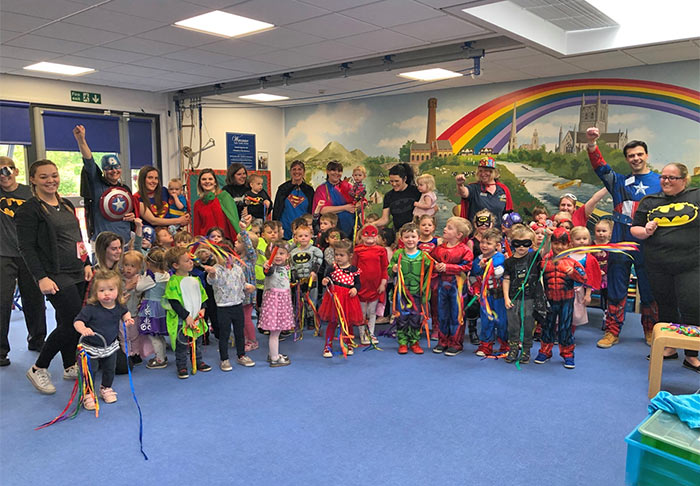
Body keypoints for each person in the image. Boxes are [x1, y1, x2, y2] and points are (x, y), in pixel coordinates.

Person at [18, 160, 93, 394]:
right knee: (74, 321)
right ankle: (39, 367)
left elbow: (78, 237)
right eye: (43, 177)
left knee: (67, 321)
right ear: (33, 179)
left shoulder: (66, 204)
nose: (51, 180)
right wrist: (41, 277)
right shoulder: (29, 210)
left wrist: (87, 262)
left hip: (77, 270)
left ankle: (69, 364)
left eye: (54, 175)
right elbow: (26, 248)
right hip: (54, 274)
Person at [586, 127, 660, 348]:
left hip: (649, 240)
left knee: (649, 286)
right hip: (620, 236)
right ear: (627, 159)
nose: (636, 158)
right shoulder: (618, 181)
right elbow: (600, 167)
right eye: (631, 155)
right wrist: (592, 144)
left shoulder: (660, 181)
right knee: (616, 284)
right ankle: (612, 331)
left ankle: (650, 329)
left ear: (646, 155)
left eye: (639, 154)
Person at [631, 162, 700, 372]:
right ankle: (669, 348)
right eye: (663, 177)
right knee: (665, 305)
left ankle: (691, 355)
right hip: (658, 264)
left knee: (691, 306)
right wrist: (646, 231)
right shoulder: (650, 201)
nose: (666, 181)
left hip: (691, 264)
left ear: (684, 180)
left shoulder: (696, 196)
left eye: (672, 177)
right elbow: (635, 229)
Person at [0, 156, 46, 366]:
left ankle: (37, 339)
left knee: (34, 299)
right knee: (2, 301)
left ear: (16, 171)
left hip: (29, 254)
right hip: (3, 254)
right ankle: (1, 350)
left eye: (7, 170)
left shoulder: (31, 193)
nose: (3, 175)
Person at [73, 269, 134, 410]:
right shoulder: (91, 308)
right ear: (95, 292)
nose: (107, 294)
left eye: (111, 289)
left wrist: (127, 319)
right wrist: (83, 329)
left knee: (110, 369)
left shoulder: (118, 306)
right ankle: (88, 393)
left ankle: (106, 388)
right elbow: (77, 321)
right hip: (91, 348)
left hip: (110, 346)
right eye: (102, 290)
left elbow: (125, 312)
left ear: (118, 290)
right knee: (91, 370)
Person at [534, 228, 587, 369]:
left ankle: (568, 354)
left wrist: (574, 273)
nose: (559, 247)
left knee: (565, 327)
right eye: (556, 243)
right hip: (549, 299)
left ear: (569, 245)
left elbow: (584, 277)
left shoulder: (572, 262)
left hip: (566, 300)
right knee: (547, 326)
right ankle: (545, 351)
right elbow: (534, 272)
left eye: (563, 243)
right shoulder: (544, 260)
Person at [73, 125, 135, 243]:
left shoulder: (125, 189)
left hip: (125, 240)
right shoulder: (96, 184)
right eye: (109, 168)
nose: (114, 171)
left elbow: (132, 213)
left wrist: (132, 216)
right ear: (103, 170)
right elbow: (89, 161)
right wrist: (81, 140)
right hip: (102, 242)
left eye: (117, 167)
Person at [203, 240, 256, 371]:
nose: (226, 258)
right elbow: (211, 281)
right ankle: (224, 359)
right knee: (224, 334)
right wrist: (211, 273)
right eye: (222, 255)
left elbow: (241, 283)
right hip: (223, 307)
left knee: (239, 332)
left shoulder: (238, 269)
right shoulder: (216, 270)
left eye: (229, 255)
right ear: (216, 256)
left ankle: (241, 355)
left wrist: (248, 287)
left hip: (237, 305)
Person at [164, 246, 211, 379]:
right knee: (182, 344)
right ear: (176, 265)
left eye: (191, 260)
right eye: (186, 261)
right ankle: (182, 365)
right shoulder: (173, 282)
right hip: (182, 320)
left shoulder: (195, 279)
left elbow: (202, 296)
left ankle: (198, 361)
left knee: (197, 341)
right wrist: (186, 316)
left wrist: (202, 309)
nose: (191, 262)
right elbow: (174, 302)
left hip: (196, 318)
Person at [388, 222, 432, 355]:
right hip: (401, 293)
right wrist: (393, 269)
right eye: (406, 237)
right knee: (401, 318)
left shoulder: (424, 257)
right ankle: (402, 342)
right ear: (401, 238)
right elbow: (389, 270)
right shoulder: (398, 254)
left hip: (417, 293)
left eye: (413, 236)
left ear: (419, 238)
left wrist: (425, 293)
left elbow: (429, 275)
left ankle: (414, 342)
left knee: (415, 318)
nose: (410, 240)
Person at [431, 216, 473, 356]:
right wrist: (436, 267)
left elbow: (467, 266)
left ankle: (456, 343)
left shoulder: (464, 250)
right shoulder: (438, 249)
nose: (445, 229)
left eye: (449, 228)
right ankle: (443, 341)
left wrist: (448, 267)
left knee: (457, 314)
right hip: (442, 287)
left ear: (459, 235)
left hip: (458, 288)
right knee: (442, 313)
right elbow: (432, 262)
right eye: (446, 227)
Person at [502, 224, 543, 364]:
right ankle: (513, 348)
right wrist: (506, 297)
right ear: (511, 242)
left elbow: (546, 250)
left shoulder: (533, 257)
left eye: (525, 243)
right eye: (517, 243)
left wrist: (548, 237)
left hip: (530, 298)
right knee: (513, 325)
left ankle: (526, 350)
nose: (521, 247)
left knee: (528, 325)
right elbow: (506, 280)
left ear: (531, 243)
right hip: (514, 298)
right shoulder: (509, 262)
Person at [319, 240, 363, 358]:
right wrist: (326, 281)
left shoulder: (354, 270)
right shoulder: (332, 268)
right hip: (334, 299)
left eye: (341, 255)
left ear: (350, 256)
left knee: (347, 322)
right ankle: (328, 345)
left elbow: (358, 284)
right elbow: (327, 279)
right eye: (336, 254)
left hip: (348, 299)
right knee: (333, 322)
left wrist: (355, 289)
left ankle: (348, 343)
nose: (338, 257)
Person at [471, 228, 508, 357]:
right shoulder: (477, 260)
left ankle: (505, 344)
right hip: (485, 297)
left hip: (499, 296)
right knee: (486, 321)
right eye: (482, 242)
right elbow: (474, 277)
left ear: (497, 245)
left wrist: (487, 266)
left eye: (488, 243)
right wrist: (476, 290)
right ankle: (486, 346)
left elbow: (498, 272)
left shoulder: (500, 258)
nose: (484, 246)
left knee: (502, 321)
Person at [259, 240, 295, 367]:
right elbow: (267, 271)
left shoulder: (286, 267)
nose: (278, 256)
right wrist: (266, 267)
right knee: (274, 333)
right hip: (274, 303)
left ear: (287, 255)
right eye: (275, 254)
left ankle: (273, 353)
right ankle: (274, 358)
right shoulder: (271, 267)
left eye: (281, 253)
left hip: (282, 302)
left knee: (276, 332)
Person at [352, 224, 388, 345]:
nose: (369, 237)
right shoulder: (357, 250)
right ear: (361, 236)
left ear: (377, 236)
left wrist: (383, 283)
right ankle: (363, 334)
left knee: (372, 312)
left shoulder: (381, 250)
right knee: (362, 312)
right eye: (366, 234)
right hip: (361, 286)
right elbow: (353, 268)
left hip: (375, 287)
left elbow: (384, 268)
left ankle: (370, 333)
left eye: (373, 234)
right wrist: (354, 285)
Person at [456, 157, 513, 228]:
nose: (483, 174)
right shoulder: (474, 188)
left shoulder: (503, 189)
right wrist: (460, 185)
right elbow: (464, 193)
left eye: (486, 171)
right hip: (477, 232)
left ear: (494, 172)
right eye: (480, 171)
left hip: (497, 233)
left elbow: (508, 213)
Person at [290, 223, 323, 331]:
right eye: (300, 236)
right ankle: (300, 318)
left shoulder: (315, 250)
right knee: (299, 299)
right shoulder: (293, 252)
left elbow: (318, 262)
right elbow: (291, 265)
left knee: (311, 300)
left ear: (310, 236)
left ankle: (311, 318)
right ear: (296, 238)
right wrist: (294, 275)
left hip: (311, 280)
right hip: (299, 280)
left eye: (306, 236)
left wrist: (314, 271)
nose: (303, 238)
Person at [193, 168, 240, 241]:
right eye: (204, 179)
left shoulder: (224, 197)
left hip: (223, 241)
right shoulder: (198, 204)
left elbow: (233, 221)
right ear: (200, 183)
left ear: (215, 182)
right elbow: (197, 228)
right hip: (206, 242)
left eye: (210, 179)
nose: (207, 181)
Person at [273, 160, 315, 240]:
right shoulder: (283, 188)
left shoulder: (309, 190)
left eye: (299, 169)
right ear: (290, 172)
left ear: (303, 172)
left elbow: (312, 210)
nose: (297, 172)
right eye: (294, 169)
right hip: (285, 229)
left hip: (303, 232)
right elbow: (277, 209)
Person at [312, 160, 356, 237]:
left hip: (349, 228)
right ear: (327, 171)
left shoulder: (348, 187)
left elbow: (355, 205)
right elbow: (323, 210)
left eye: (339, 171)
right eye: (333, 170)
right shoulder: (321, 189)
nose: (336, 173)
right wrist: (345, 207)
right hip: (329, 231)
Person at [374, 163, 421, 231]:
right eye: (391, 181)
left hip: (415, 232)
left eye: (397, 181)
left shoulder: (416, 191)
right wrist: (372, 224)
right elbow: (385, 219)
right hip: (398, 232)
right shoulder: (388, 196)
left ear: (404, 179)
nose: (394, 184)